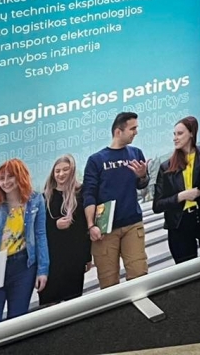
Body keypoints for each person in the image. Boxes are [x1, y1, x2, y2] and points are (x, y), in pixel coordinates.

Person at [0, 160, 49, 327]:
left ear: (20, 176)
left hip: (23, 268)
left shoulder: (36, 201)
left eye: (10, 177)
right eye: (1, 178)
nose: (5, 182)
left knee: (17, 324)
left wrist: (43, 270)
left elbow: (40, 236)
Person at [82, 112, 150, 287]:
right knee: (108, 282)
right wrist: (91, 225)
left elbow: (142, 185)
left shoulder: (136, 153)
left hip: (132, 223)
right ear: (118, 132)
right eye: (132, 128)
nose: (136, 132)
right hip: (105, 229)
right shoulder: (96, 160)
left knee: (139, 274)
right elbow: (89, 194)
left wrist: (142, 176)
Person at [154, 116, 200, 264]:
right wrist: (181, 196)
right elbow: (157, 205)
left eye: (179, 133)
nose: (175, 138)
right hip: (179, 223)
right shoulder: (166, 167)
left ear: (191, 133)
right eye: (174, 134)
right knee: (186, 266)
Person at [40, 155, 92, 305]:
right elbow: (40, 230)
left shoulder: (81, 194)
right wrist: (55, 225)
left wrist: (87, 257)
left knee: (73, 303)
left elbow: (84, 228)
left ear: (72, 170)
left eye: (65, 170)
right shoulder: (45, 198)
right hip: (52, 260)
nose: (61, 174)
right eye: (57, 171)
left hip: (75, 259)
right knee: (50, 304)